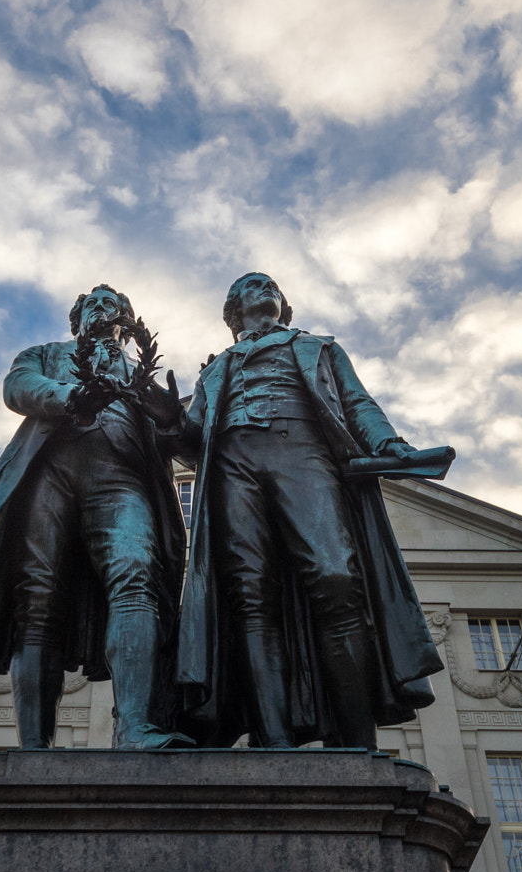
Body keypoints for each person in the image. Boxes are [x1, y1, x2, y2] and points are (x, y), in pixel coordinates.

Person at [174, 272, 448, 749]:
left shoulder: (319, 348)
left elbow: (357, 403)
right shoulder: (213, 370)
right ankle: (274, 740)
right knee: (249, 592)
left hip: (303, 450)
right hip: (232, 465)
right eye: (251, 286)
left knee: (336, 577)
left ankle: (355, 744)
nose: (264, 289)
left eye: (271, 286)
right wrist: (164, 416)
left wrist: (390, 445)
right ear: (233, 310)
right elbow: (190, 438)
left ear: (284, 304)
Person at [0, 285, 191, 749]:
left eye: (109, 303)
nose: (100, 309)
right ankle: (34, 747)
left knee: (136, 576)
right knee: (37, 598)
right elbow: (18, 387)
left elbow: (186, 443)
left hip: (122, 476)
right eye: (90, 304)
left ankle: (134, 728)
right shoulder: (47, 354)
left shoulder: (140, 374)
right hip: (49, 469)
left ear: (127, 321)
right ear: (76, 320)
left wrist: (172, 418)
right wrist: (70, 396)